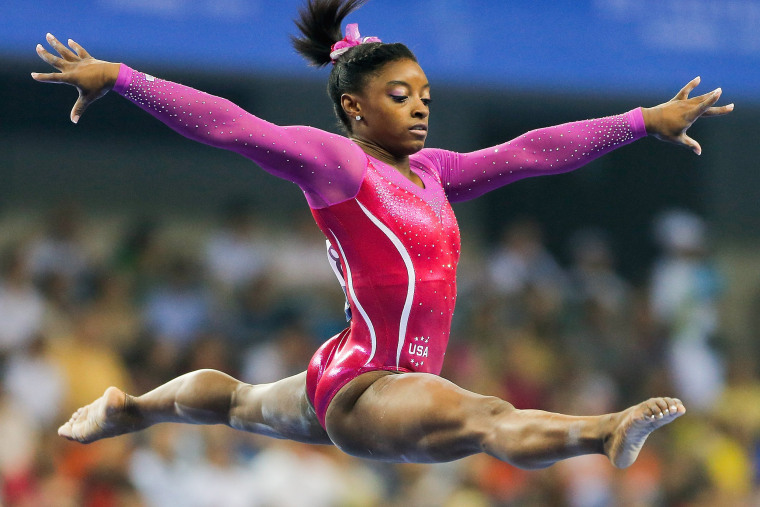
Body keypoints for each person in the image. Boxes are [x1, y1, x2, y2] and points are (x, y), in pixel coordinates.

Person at [33, 0, 732, 470]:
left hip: (350, 366)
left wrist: (640, 121)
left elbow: (533, 150)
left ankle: (131, 406)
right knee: (485, 415)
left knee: (238, 401)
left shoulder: (434, 172)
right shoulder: (338, 163)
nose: (421, 106)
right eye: (401, 95)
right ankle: (602, 429)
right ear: (354, 107)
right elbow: (232, 125)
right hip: (369, 386)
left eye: (425, 94)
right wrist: (124, 78)